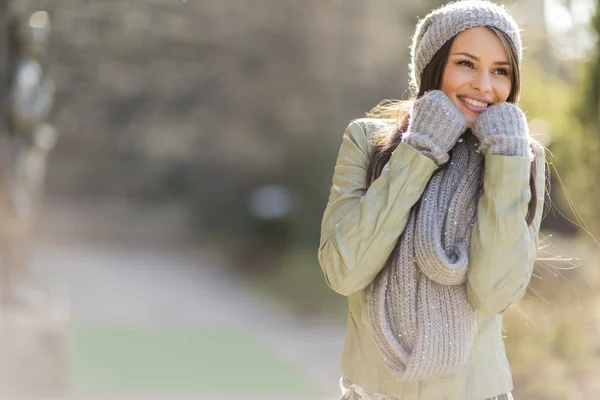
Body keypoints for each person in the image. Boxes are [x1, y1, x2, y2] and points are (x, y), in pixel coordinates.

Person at [317, 1, 546, 399]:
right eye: (466, 63)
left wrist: (507, 159)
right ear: (432, 65)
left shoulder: (520, 157)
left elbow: (494, 292)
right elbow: (344, 271)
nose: (484, 85)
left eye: (500, 71)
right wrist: (421, 149)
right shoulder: (368, 141)